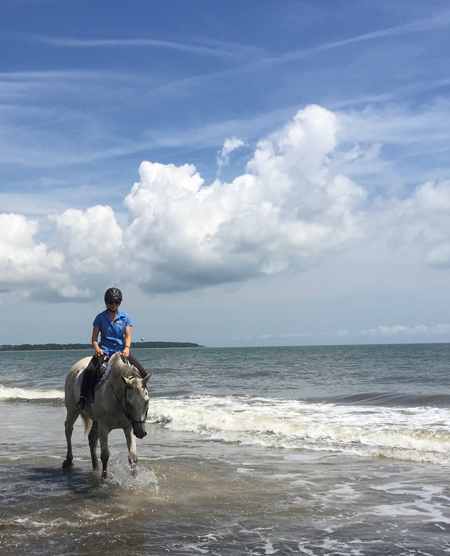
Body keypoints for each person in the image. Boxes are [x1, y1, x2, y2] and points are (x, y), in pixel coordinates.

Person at [76, 287, 147, 409]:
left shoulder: (125, 318)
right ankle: (83, 397)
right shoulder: (100, 317)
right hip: (104, 351)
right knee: (89, 371)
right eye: (110, 302)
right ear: (106, 303)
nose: (113, 304)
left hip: (121, 351)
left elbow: (128, 336)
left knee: (143, 373)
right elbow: (94, 338)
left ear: (119, 302)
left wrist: (127, 348)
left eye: (116, 302)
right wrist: (97, 348)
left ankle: (141, 399)